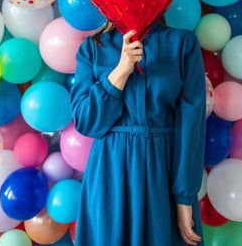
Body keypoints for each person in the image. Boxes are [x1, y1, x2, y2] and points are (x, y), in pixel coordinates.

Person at [70, 20, 207, 246]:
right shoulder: (93, 48)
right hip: (110, 174)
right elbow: (86, 122)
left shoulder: (182, 43)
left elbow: (192, 124)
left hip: (162, 172)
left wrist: (184, 196)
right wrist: (121, 71)